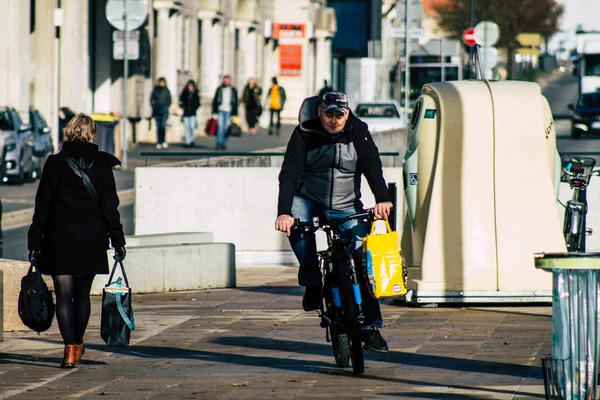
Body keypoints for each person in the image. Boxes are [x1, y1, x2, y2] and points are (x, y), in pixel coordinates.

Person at [274, 92, 393, 352]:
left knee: (363, 263)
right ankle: (312, 280)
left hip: (346, 204)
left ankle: (370, 327)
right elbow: (290, 172)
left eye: (339, 115)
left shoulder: (358, 131)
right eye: (329, 114)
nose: (334, 120)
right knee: (297, 226)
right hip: (308, 199)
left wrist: (382, 198)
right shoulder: (304, 133)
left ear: (347, 114)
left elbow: (372, 165)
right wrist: (284, 212)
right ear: (319, 112)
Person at [28, 113, 126, 368]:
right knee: (82, 297)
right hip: (90, 239)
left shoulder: (54, 164)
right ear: (91, 133)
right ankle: (78, 343)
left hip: (59, 238)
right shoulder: (102, 164)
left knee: (63, 296)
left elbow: (42, 206)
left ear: (68, 131)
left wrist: (35, 240)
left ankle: (69, 348)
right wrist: (117, 239)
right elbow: (110, 207)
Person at [211, 75, 238, 150]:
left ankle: (223, 143)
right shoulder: (219, 89)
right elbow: (215, 101)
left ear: (230, 81)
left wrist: (235, 114)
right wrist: (214, 112)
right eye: (225, 80)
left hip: (229, 111)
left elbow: (235, 102)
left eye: (227, 80)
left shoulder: (233, 90)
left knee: (226, 128)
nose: (226, 82)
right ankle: (218, 143)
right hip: (220, 110)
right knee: (220, 127)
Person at [150, 77, 172, 149]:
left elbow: (169, 100)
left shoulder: (166, 91)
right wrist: (154, 105)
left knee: (163, 126)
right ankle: (159, 141)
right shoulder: (155, 90)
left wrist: (166, 107)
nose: (162, 84)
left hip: (164, 111)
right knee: (158, 127)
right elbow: (151, 99)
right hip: (157, 111)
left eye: (163, 82)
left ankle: (163, 140)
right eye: (161, 82)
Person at [178, 80, 201, 147]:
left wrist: (194, 108)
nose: (190, 87)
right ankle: (187, 142)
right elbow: (180, 101)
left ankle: (192, 140)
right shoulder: (185, 93)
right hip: (186, 113)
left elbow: (198, 103)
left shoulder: (195, 94)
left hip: (192, 113)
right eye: (189, 86)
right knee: (187, 128)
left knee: (192, 127)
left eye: (191, 86)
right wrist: (182, 106)